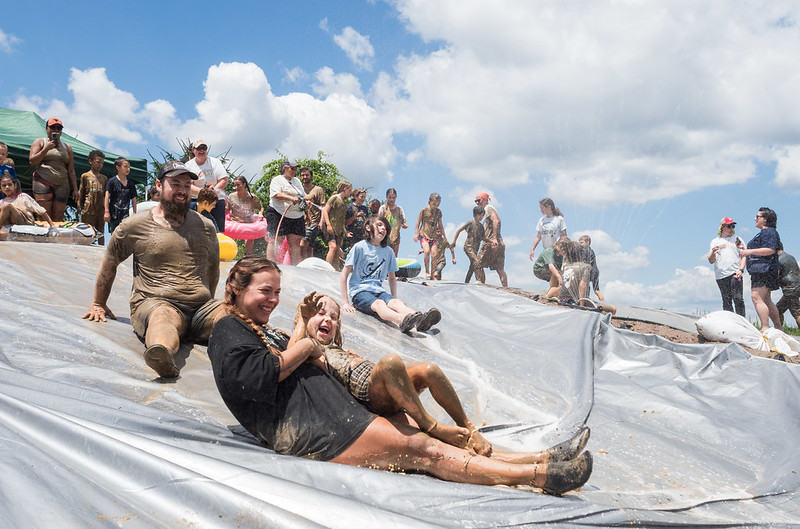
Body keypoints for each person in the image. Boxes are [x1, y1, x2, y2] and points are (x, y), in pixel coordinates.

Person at [208, 257, 593, 494]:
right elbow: (255, 380)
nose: (273, 298)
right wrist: (307, 344)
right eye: (265, 291)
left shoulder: (255, 329)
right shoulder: (228, 330)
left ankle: (539, 457)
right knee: (426, 451)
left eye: (277, 291)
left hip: (343, 413)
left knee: (429, 439)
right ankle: (541, 476)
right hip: (319, 431)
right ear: (235, 289)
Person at [290, 292, 492, 455]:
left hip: (384, 383)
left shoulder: (337, 349)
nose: (328, 319)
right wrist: (302, 317)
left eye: (333, 317)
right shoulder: (311, 350)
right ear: (306, 317)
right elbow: (290, 354)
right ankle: (432, 425)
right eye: (320, 314)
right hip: (370, 397)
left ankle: (470, 429)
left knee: (429, 369)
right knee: (391, 361)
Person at [82, 160, 225, 379]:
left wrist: (211, 303)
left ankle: (272, 353)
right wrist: (99, 303)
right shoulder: (134, 225)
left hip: (200, 309)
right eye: (175, 184)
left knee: (232, 315)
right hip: (156, 302)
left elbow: (213, 270)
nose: (182, 191)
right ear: (159, 185)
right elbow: (110, 264)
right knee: (163, 318)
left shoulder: (205, 226)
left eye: (187, 186)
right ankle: (161, 354)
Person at [342, 216, 441, 333]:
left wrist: (393, 298)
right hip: (360, 292)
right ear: (368, 228)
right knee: (379, 304)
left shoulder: (388, 251)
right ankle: (402, 320)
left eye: (385, 227)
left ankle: (419, 319)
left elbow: (392, 278)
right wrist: (345, 303)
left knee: (396, 303)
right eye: (379, 225)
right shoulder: (359, 247)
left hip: (379, 291)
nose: (383, 228)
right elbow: (344, 275)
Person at [738, 207, 781, 330]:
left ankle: (765, 327)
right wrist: (745, 249)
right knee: (766, 299)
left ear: (765, 219)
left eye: (758, 216)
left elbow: (770, 249)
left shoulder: (769, 232)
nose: (755, 219)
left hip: (764, 270)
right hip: (765, 269)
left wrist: (749, 251)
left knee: (756, 297)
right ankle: (778, 328)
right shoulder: (766, 233)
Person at [28, 117, 78, 222]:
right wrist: (46, 149)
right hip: (43, 180)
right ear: (47, 128)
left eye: (59, 128)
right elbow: (32, 162)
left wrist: (75, 189)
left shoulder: (67, 147)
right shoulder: (40, 142)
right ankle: (42, 238)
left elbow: (71, 170)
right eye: (53, 127)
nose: (56, 130)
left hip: (62, 183)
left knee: (58, 219)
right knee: (43, 216)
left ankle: (55, 238)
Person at [557, 240, 616, 314]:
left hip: (564, 300)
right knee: (613, 309)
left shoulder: (566, 267)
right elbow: (582, 286)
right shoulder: (586, 267)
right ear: (582, 255)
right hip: (579, 302)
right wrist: (582, 306)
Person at [266, 159, 305, 264]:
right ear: (285, 168)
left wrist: (306, 205)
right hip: (278, 212)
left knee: (296, 242)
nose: (294, 171)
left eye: (295, 169)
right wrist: (291, 198)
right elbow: (276, 195)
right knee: (276, 239)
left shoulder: (297, 181)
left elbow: (303, 196)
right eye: (292, 169)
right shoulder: (277, 180)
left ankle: (295, 268)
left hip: (296, 215)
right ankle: (271, 265)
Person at [185, 139, 228, 233]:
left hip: (216, 201)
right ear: (193, 150)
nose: (201, 150)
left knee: (217, 232)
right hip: (196, 201)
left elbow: (224, 180)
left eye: (204, 148)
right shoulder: (188, 165)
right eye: (199, 148)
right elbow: (188, 184)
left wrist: (212, 191)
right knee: (195, 231)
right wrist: (202, 193)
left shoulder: (215, 162)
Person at [707, 218, 745, 316]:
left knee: (738, 298)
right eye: (729, 226)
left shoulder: (737, 239)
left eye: (733, 226)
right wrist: (713, 252)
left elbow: (744, 254)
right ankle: (730, 322)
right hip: (721, 275)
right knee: (726, 300)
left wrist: (741, 269)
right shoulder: (715, 241)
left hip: (735, 272)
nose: (731, 228)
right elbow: (711, 260)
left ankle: (742, 322)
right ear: (722, 227)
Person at [474, 192, 508, 287]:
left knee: (478, 264)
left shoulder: (488, 208)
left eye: (479, 200)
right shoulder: (487, 210)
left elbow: (496, 220)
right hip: (499, 241)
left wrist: (493, 238)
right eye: (475, 201)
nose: (477, 203)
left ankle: (482, 287)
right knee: (499, 268)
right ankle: (506, 289)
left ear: (485, 200)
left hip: (490, 241)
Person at [226, 175, 265, 256]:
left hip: (248, 223)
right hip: (235, 222)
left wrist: (260, 213)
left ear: (244, 185)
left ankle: (249, 257)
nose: (236, 187)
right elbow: (227, 209)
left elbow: (260, 208)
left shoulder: (252, 197)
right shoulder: (231, 196)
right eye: (235, 185)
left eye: (238, 185)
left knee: (249, 244)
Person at [78, 150, 108, 244]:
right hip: (89, 206)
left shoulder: (104, 178)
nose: (100, 165)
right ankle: (85, 246)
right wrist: (79, 206)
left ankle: (102, 250)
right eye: (98, 162)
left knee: (101, 230)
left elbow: (106, 195)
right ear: (90, 161)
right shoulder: (85, 176)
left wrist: (107, 209)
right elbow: (81, 191)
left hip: (101, 207)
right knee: (87, 228)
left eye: (102, 163)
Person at [321, 180, 352, 270]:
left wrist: (345, 231)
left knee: (337, 250)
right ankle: (326, 269)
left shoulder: (344, 203)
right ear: (345, 189)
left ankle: (336, 269)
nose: (350, 193)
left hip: (338, 229)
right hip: (330, 225)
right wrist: (328, 224)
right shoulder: (334, 198)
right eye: (349, 190)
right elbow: (325, 210)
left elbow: (342, 220)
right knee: (332, 247)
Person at [414, 193, 446, 279]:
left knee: (434, 255)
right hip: (423, 235)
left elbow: (441, 225)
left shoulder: (438, 212)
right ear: (429, 202)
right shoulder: (424, 210)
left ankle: (432, 275)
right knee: (427, 251)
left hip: (433, 237)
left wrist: (445, 237)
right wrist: (416, 233)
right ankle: (427, 271)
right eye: (434, 204)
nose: (436, 206)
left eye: (438, 204)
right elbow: (418, 222)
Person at [298, 166, 326, 260]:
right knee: (309, 248)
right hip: (300, 221)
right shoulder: (299, 189)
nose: (304, 177)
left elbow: (323, 207)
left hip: (313, 222)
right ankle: (310, 269)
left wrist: (321, 221)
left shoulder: (318, 189)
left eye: (307, 175)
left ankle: (303, 267)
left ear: (311, 176)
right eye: (302, 175)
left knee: (302, 245)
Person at [452, 206, 485, 283]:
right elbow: (458, 230)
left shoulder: (481, 226)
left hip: (475, 249)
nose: (481, 217)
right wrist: (454, 241)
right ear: (475, 215)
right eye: (480, 215)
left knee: (472, 267)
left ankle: (466, 282)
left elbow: (483, 238)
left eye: (482, 215)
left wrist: (491, 241)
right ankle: (478, 281)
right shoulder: (470, 223)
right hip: (468, 247)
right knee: (476, 262)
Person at [104, 157, 137, 234]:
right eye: (125, 166)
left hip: (125, 214)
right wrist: (106, 211)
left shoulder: (131, 184)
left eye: (129, 167)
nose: (128, 169)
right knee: (114, 234)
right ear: (118, 167)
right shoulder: (112, 181)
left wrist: (135, 213)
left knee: (125, 235)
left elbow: (134, 199)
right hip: (113, 214)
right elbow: (107, 197)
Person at [776, 243, 800, 329]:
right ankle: (779, 329)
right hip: (797, 286)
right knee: (779, 309)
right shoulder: (791, 257)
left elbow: (776, 275)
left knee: (796, 312)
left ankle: (779, 330)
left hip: (790, 288)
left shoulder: (778, 259)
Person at [378, 188, 406, 257]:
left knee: (394, 257)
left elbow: (403, 220)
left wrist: (404, 225)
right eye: (390, 197)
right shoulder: (383, 208)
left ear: (396, 197)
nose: (391, 199)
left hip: (395, 235)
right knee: (384, 255)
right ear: (386, 197)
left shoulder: (399, 209)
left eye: (393, 197)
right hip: (385, 236)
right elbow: (378, 221)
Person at [578, 235, 604, 301]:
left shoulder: (586, 251)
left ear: (587, 242)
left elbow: (586, 264)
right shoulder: (591, 251)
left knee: (584, 285)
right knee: (596, 290)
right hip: (595, 272)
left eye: (581, 242)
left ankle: (584, 299)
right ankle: (603, 302)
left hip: (590, 272)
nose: (580, 244)